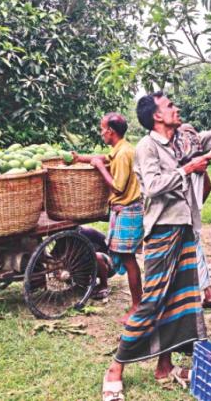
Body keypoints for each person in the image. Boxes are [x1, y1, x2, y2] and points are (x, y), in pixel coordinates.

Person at [101, 87, 211, 401]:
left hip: (186, 229)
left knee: (181, 300)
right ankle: (115, 368)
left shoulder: (186, 139)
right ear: (156, 116)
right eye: (170, 105)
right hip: (162, 231)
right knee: (152, 302)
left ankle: (165, 366)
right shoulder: (147, 147)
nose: (176, 108)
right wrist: (187, 170)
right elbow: (151, 187)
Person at [73, 113, 144, 323]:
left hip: (129, 209)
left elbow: (118, 186)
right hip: (123, 208)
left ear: (110, 131)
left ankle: (137, 306)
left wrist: (100, 168)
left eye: (102, 128)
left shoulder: (123, 154)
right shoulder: (121, 149)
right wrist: (81, 159)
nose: (101, 132)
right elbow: (103, 158)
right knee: (124, 256)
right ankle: (136, 302)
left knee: (129, 259)